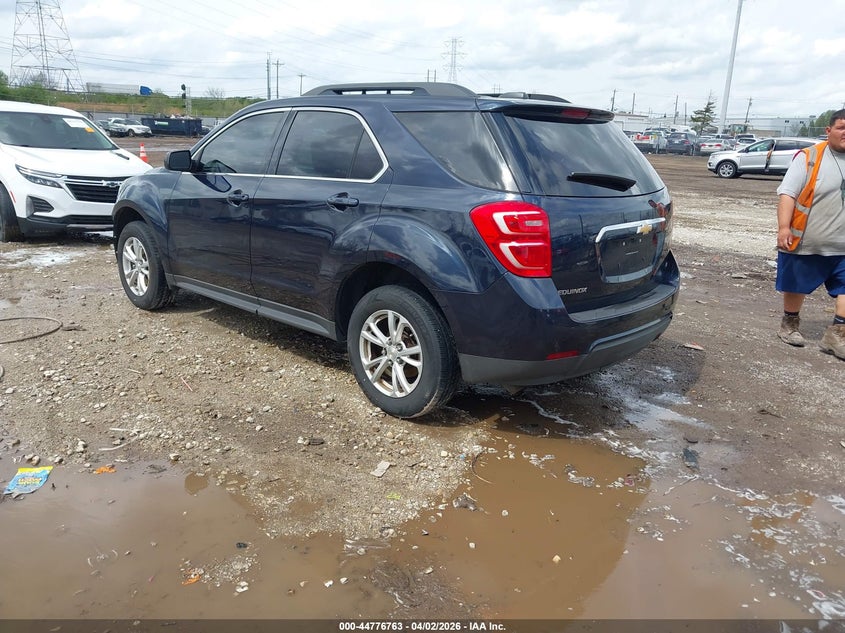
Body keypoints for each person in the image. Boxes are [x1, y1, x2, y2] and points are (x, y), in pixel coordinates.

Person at [775, 109, 845, 359]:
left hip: (843, 245)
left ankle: (836, 334)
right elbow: (788, 194)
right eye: (841, 127)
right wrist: (784, 228)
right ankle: (790, 323)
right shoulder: (809, 157)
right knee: (796, 286)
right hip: (807, 239)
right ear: (828, 131)